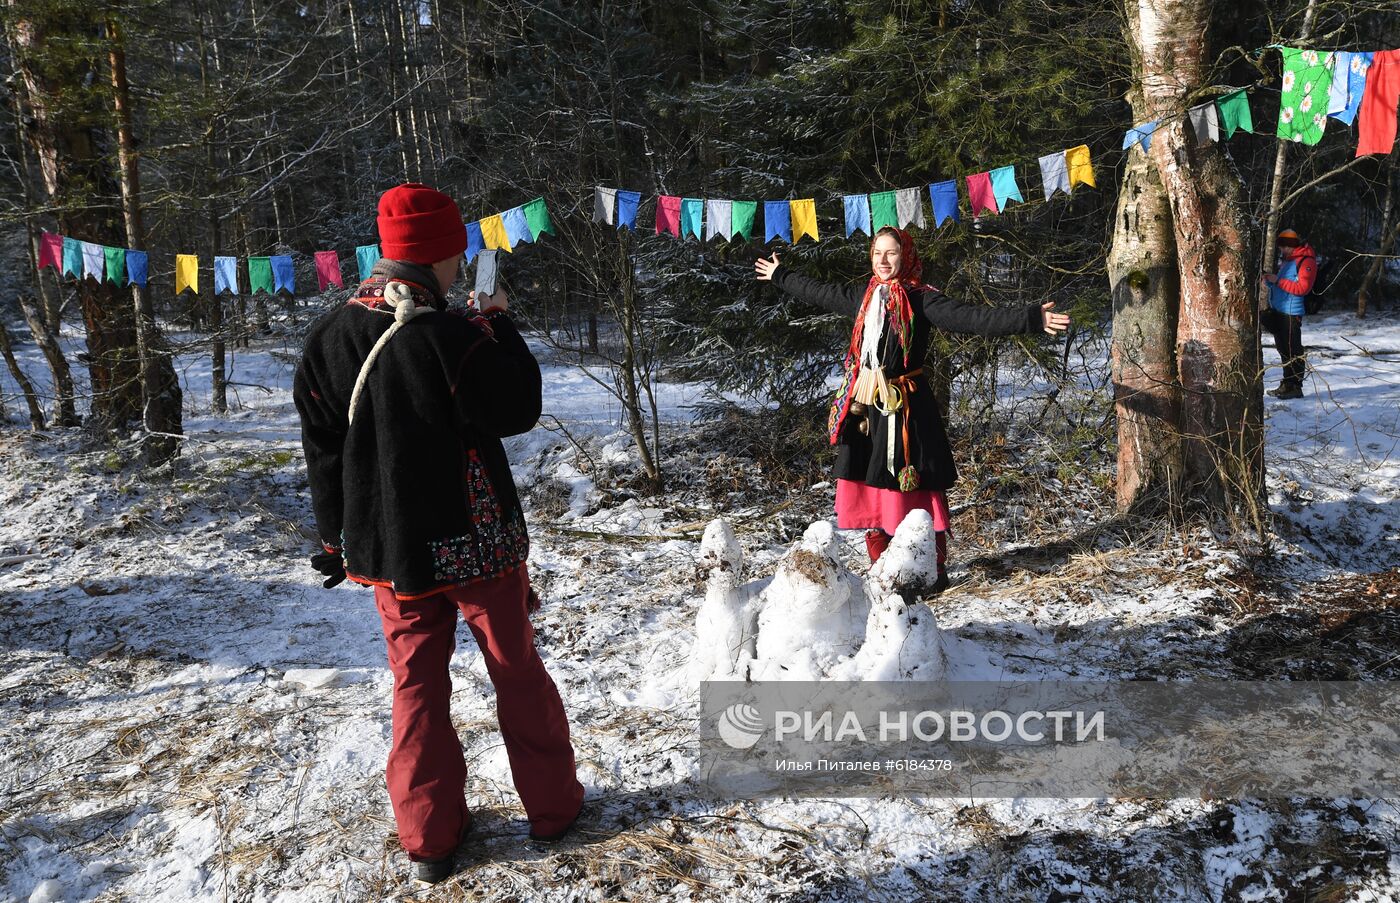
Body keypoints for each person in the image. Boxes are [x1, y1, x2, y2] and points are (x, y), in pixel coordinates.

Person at [293, 183, 583, 885]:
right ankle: (551, 812)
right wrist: (502, 325)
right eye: (455, 252)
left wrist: (335, 541)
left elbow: (322, 452)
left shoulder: (329, 338)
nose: (460, 264)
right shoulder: (454, 337)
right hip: (476, 544)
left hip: (391, 555)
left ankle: (429, 841)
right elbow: (519, 405)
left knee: (415, 688)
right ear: (435, 256)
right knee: (516, 672)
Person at [755, 226, 1070, 588]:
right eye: (877, 253)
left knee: (915, 486)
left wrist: (1031, 318)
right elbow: (821, 292)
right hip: (867, 408)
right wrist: (780, 275)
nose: (883, 261)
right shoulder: (866, 296)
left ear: (905, 256)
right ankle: (883, 571)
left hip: (906, 408)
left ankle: (929, 572)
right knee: (869, 482)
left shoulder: (922, 299)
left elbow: (973, 318)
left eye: (891, 253)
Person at [1260, 228, 1316, 400]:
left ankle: (1295, 387)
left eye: (1284, 246)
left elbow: (1302, 289)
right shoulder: (1288, 260)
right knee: (1283, 351)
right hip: (1279, 311)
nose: (1282, 250)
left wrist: (1277, 280)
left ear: (1292, 245)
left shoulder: (1307, 261)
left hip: (1291, 314)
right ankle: (1287, 384)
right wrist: (1270, 282)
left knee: (1294, 351)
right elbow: (1284, 285)